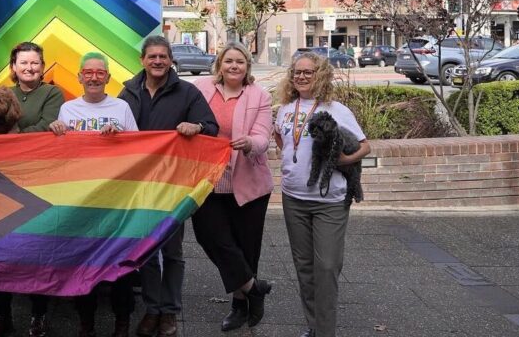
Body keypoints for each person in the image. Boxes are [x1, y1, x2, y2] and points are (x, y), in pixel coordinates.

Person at [118, 35, 218, 337]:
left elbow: (212, 128)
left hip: (174, 185)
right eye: (152, 57)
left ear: (170, 59)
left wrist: (197, 127)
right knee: (146, 251)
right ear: (142, 60)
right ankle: (152, 309)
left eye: (163, 56)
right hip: (138, 186)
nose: (158, 61)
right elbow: (116, 126)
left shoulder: (187, 92)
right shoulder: (128, 92)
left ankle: (170, 312)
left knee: (172, 252)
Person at [0, 42, 65, 337]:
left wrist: (10, 137)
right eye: (24, 63)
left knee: (37, 248)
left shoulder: (51, 93)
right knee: (0, 248)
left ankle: (39, 315)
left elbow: (48, 126)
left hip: (37, 180)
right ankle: (1, 314)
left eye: (35, 63)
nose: (29, 68)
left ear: (43, 66)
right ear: (13, 67)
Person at [274, 52, 370, 337]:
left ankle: (325, 331)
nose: (301, 77)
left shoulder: (336, 109)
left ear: (321, 75)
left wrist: (342, 161)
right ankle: (314, 326)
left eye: (308, 72)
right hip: (294, 199)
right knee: (304, 267)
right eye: (297, 72)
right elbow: (282, 139)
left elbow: (365, 146)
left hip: (329, 201)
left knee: (326, 267)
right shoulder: (285, 108)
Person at [48, 52, 139, 337]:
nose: (94, 77)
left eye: (100, 73)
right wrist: (55, 130)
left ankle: (121, 323)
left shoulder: (122, 107)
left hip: (116, 198)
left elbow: (139, 148)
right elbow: (61, 154)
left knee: (120, 263)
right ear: (79, 77)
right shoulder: (68, 109)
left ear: (108, 78)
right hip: (81, 199)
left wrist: (121, 135)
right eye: (88, 72)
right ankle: (85, 324)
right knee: (82, 262)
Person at [190, 43, 274, 332]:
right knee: (209, 236)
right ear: (219, 64)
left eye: (240, 61)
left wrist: (251, 144)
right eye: (229, 61)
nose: (234, 66)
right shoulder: (202, 88)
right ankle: (254, 287)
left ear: (247, 66)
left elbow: (263, 135)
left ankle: (240, 305)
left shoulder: (259, 95)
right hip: (208, 181)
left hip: (248, 181)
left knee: (246, 247)